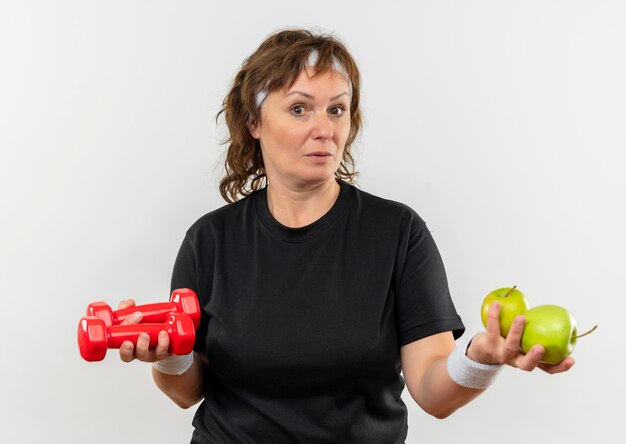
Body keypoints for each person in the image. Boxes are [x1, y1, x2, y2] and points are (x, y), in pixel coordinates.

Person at [116, 29, 574, 443]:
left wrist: (481, 358)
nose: (325, 129)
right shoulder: (209, 240)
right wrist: (170, 355)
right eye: (299, 108)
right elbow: (185, 392)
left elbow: (435, 395)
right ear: (254, 122)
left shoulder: (398, 233)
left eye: (337, 109)